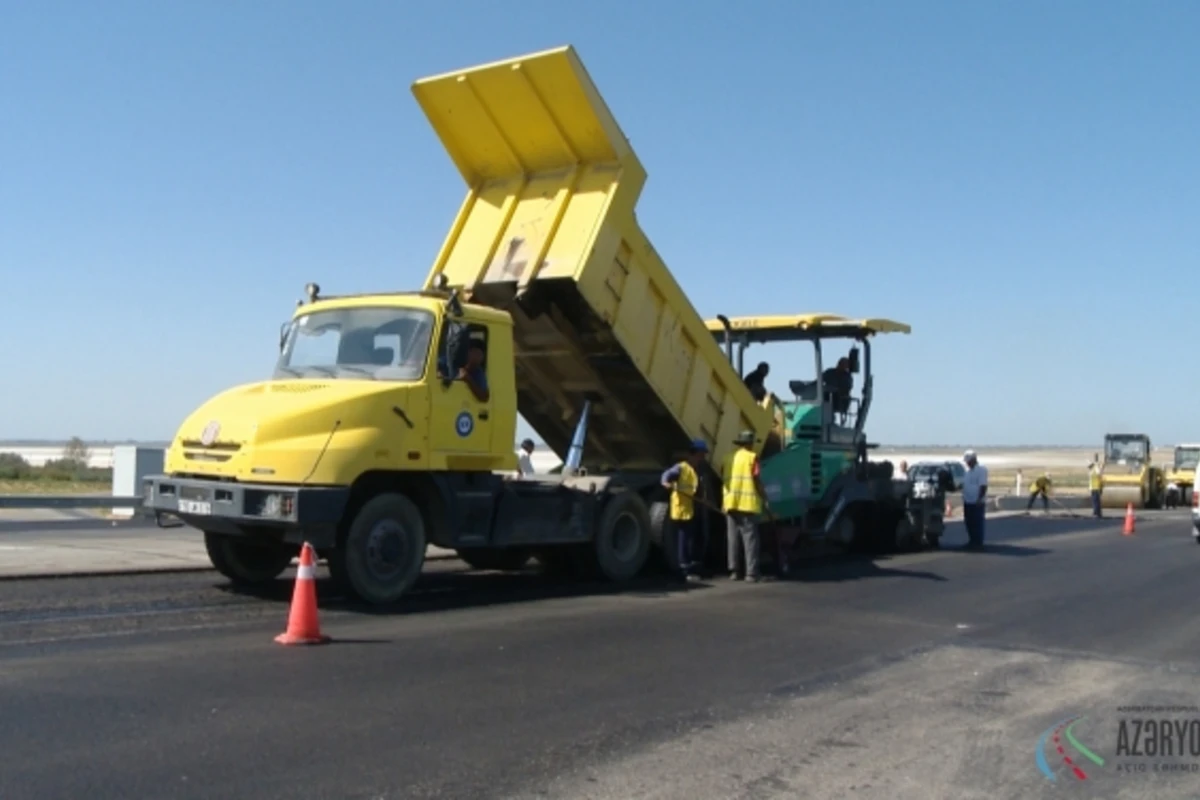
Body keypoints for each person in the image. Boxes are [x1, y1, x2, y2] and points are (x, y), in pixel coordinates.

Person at [660, 439, 710, 583]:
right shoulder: (681, 468)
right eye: (702, 454)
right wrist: (665, 482)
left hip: (690, 508)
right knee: (684, 540)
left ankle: (690, 566)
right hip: (681, 509)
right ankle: (684, 570)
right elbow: (666, 475)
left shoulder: (696, 469)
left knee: (690, 539)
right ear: (696, 454)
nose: (703, 458)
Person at [724, 430, 771, 581]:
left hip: (730, 503)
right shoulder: (752, 458)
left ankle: (734, 571)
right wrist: (765, 498)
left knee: (733, 539)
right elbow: (756, 479)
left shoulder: (728, 458)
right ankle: (751, 573)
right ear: (750, 444)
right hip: (746, 504)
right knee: (750, 539)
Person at [960, 449, 989, 549]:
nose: (967, 463)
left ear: (973, 460)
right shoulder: (967, 472)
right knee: (969, 522)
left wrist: (979, 499)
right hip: (967, 500)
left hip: (977, 501)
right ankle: (972, 540)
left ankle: (978, 542)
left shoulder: (981, 470)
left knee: (977, 522)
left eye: (968, 461)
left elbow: (983, 486)